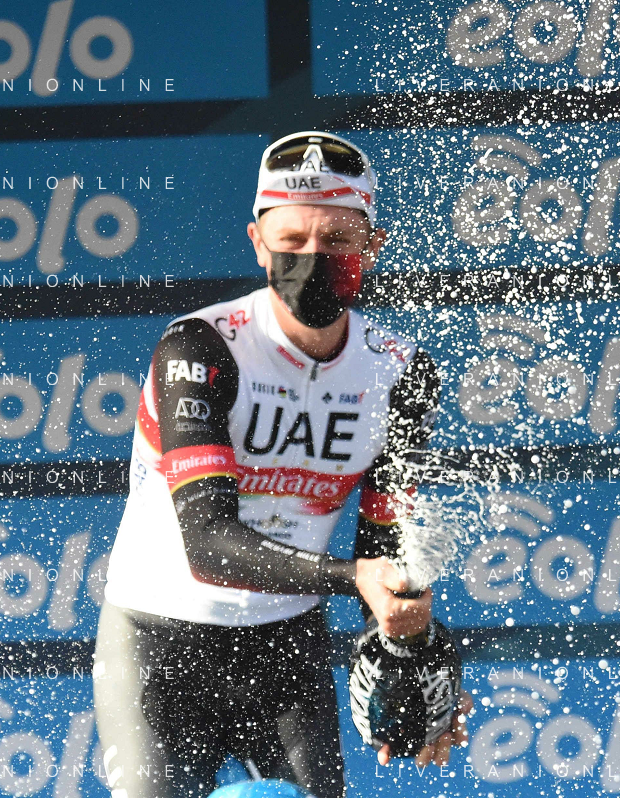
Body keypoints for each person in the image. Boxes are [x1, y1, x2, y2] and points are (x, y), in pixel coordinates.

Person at [94, 132, 467, 798]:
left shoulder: (402, 374)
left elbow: (383, 544)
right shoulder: (201, 347)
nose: (312, 257)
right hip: (155, 638)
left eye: (336, 240)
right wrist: (356, 579)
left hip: (284, 648)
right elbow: (208, 544)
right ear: (257, 243)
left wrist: (406, 644)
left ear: (372, 246)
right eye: (291, 240)